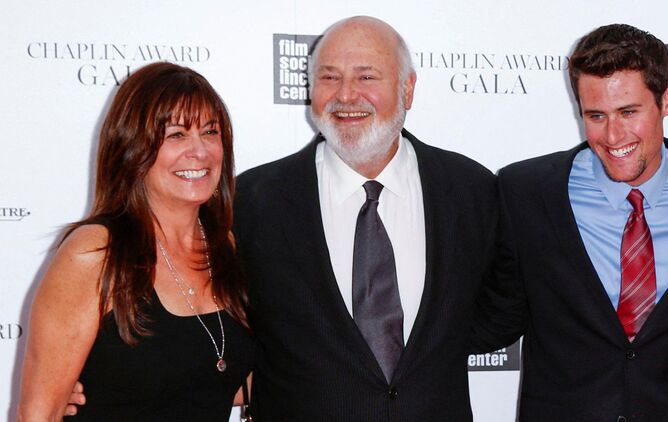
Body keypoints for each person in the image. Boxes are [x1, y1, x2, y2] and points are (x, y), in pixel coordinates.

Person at [232, 16, 516, 421]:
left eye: (366, 77)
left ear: (407, 89)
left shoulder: (471, 190)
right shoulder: (253, 201)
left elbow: (503, 308)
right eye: (329, 77)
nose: (346, 95)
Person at [489, 23, 668, 421]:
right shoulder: (526, 191)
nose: (613, 136)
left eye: (628, 112)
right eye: (596, 115)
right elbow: (499, 312)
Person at [18, 62, 253, 421]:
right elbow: (39, 414)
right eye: (176, 135)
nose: (200, 151)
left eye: (210, 132)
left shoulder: (228, 247)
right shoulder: (97, 253)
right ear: (132, 146)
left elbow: (221, 380)